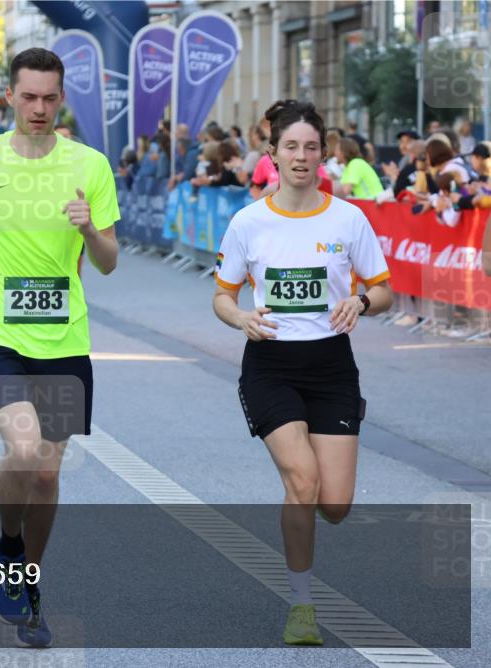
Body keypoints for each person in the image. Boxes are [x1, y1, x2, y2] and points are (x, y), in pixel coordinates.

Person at [0, 47, 119, 649]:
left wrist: (89, 229)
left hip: (65, 339)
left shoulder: (90, 165)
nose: (38, 108)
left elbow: (109, 262)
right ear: (8, 96)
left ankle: (28, 580)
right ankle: (8, 544)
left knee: (47, 471)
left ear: (62, 99)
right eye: (28, 96)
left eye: (49, 97)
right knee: (27, 448)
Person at [213, 99, 392, 647]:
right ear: (272, 153)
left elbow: (384, 290)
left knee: (334, 505)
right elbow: (222, 297)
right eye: (290, 146)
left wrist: (360, 303)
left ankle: (304, 498)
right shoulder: (249, 222)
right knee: (303, 481)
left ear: (324, 155)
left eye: (311, 147)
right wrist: (242, 316)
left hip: (331, 367)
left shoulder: (347, 218)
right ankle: (302, 603)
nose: (301, 156)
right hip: (270, 365)